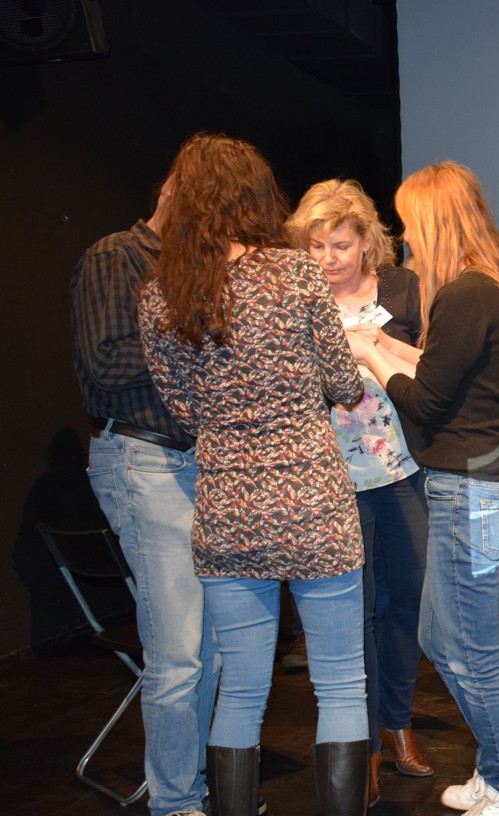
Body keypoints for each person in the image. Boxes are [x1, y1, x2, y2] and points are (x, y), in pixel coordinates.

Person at [137, 133, 368, 815]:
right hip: (313, 504)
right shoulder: (295, 275)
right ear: (255, 195)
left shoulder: (159, 295)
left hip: (227, 509)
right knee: (340, 683)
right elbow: (342, 383)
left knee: (240, 689)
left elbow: (183, 411)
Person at [346, 161, 499, 816]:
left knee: (472, 653)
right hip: (475, 488)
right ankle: (497, 768)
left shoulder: (463, 293)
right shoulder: (481, 289)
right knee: (440, 638)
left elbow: (425, 402)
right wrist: (385, 344)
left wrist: (370, 355)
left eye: (408, 223)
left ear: (434, 222)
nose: (403, 237)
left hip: (471, 492)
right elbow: (444, 374)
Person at [71, 164, 221, 816]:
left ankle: (195, 788)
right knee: (180, 652)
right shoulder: (116, 256)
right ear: (172, 197)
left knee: (211, 650)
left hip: (191, 463)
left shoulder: (188, 272)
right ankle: (176, 802)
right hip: (143, 458)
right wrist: (198, 339)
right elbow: (104, 362)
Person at [285, 178, 433, 808]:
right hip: (332, 481)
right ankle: (365, 745)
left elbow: (432, 365)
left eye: (340, 245)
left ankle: (398, 722)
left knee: (409, 603)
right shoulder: (294, 299)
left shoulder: (403, 290)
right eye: (316, 246)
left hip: (403, 469)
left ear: (368, 242)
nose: (328, 258)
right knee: (359, 612)